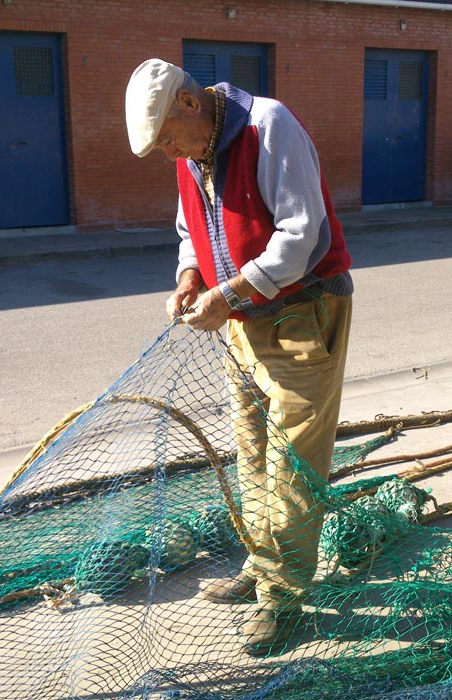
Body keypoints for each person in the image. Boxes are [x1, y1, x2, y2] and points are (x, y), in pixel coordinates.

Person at [125, 58, 353, 656]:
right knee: (251, 447)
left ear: (191, 104)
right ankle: (260, 563)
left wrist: (225, 294)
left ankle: (283, 597)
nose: (171, 153)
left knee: (292, 465)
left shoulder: (268, 126)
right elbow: (188, 229)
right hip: (242, 321)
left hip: (301, 311)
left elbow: (302, 236)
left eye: (170, 138)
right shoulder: (191, 156)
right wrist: (189, 274)